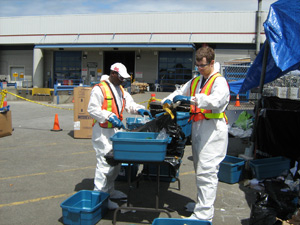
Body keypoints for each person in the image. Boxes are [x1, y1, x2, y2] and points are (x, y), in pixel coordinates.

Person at [161, 46, 230, 221]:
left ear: (212, 63)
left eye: (203, 65)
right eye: (197, 65)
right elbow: (180, 92)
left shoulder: (219, 81)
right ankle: (201, 204)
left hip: (213, 130)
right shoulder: (196, 81)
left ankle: (204, 215)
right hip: (199, 129)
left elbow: (215, 101)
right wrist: (169, 98)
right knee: (199, 170)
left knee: (207, 172)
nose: (199, 68)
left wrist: (192, 99)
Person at [87, 62, 152, 210]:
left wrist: (140, 110)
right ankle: (100, 198)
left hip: (115, 132)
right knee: (104, 166)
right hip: (103, 132)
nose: (123, 80)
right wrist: (109, 116)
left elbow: (130, 104)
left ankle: (110, 191)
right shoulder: (99, 89)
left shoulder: (121, 89)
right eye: (121, 77)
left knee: (115, 165)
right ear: (113, 74)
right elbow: (92, 109)